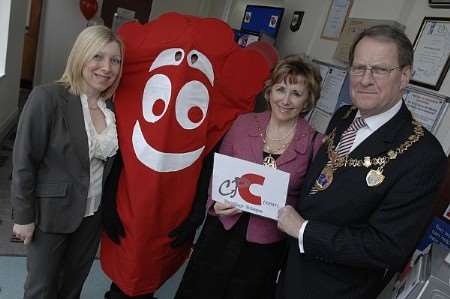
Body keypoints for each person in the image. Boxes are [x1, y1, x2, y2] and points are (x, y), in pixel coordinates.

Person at [276, 25, 448, 299]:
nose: (365, 79)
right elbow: (322, 187)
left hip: (333, 289)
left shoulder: (424, 155)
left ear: (404, 76)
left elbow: (385, 248)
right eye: (358, 68)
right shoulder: (343, 116)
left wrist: (303, 230)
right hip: (290, 270)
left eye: (379, 70)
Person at [174, 55, 323, 299]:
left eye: (296, 93)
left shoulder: (315, 143)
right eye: (280, 89)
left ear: (307, 101)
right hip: (221, 231)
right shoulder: (243, 124)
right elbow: (217, 174)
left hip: (265, 245)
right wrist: (214, 204)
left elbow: (308, 200)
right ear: (269, 92)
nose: (285, 100)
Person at [11, 25, 123, 299]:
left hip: (92, 216)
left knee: (73, 286)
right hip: (50, 214)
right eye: (98, 57)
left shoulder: (114, 108)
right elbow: (24, 161)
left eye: (115, 60)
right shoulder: (48, 97)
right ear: (80, 56)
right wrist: (23, 217)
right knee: (41, 289)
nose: (106, 67)